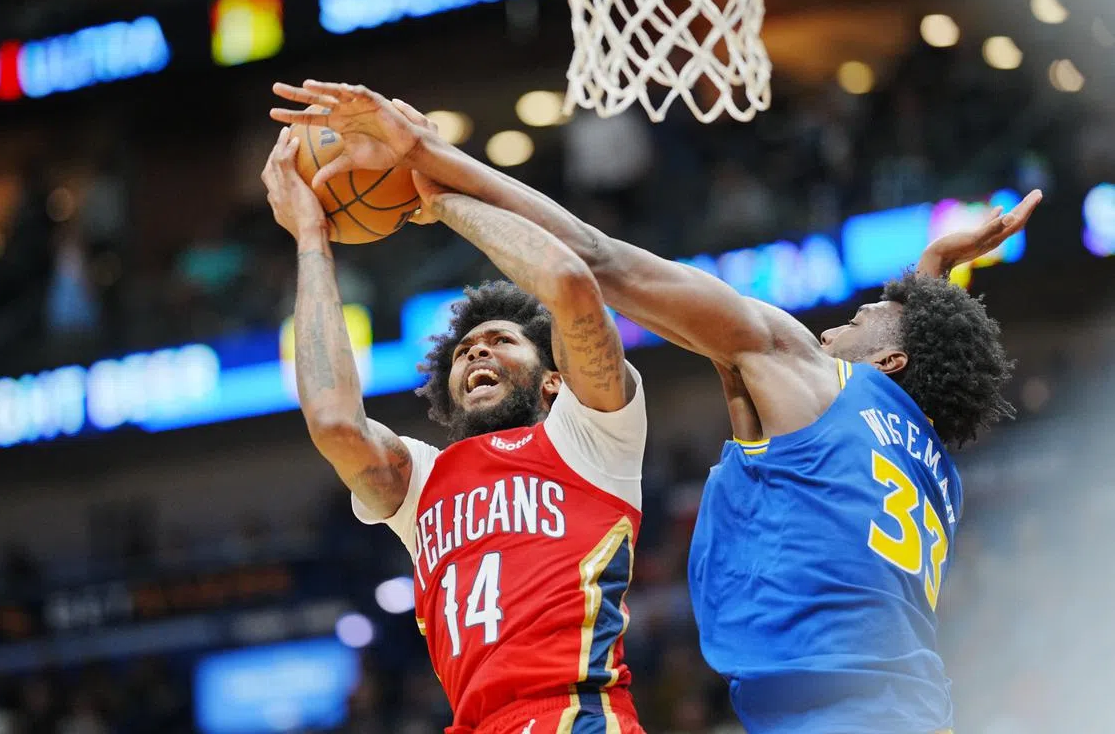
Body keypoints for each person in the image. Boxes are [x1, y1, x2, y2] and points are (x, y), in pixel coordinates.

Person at [268, 82, 1043, 734]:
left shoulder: (790, 367)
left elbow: (594, 264)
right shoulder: (929, 454)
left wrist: (431, 167)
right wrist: (933, 277)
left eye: (872, 314)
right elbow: (909, 368)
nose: (842, 318)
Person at [260, 127, 649, 734]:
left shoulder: (592, 436)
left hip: (575, 717)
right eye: (465, 349)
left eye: (501, 341)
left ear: (553, 379)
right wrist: (311, 240)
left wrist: (435, 198)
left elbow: (572, 286)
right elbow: (334, 422)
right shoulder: (425, 481)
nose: (476, 354)